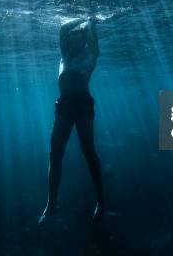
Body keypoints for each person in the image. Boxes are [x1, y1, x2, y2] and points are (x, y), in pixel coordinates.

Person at [39, 17, 104, 223]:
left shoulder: (91, 53)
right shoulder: (64, 55)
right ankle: (51, 203)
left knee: (89, 152)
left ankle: (101, 201)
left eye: (78, 34)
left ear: (84, 37)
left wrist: (90, 23)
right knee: (54, 155)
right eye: (72, 34)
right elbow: (62, 28)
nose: (72, 35)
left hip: (83, 104)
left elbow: (92, 37)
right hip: (64, 105)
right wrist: (83, 18)